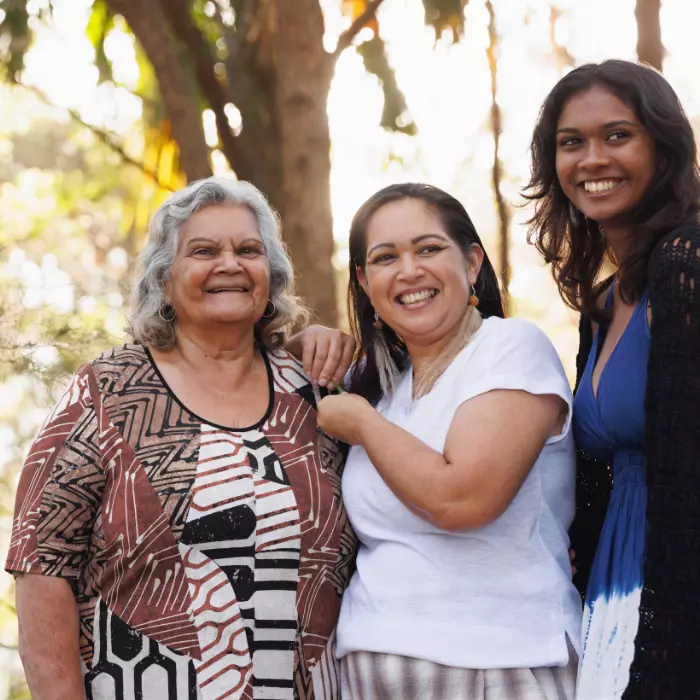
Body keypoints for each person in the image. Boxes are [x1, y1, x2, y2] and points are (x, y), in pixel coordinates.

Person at [6, 176, 356, 700]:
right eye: (203, 250)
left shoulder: (315, 393)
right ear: (164, 280)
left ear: (271, 276)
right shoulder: (108, 392)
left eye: (248, 250)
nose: (230, 264)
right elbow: (42, 561)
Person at [317, 183, 582, 700]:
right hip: (368, 669)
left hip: (500, 666)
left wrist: (364, 426)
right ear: (365, 282)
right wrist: (308, 343)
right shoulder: (379, 388)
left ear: (472, 261)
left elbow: (463, 500)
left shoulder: (510, 349)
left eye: (429, 248)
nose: (409, 270)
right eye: (385, 257)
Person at [525, 59, 700, 699]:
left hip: (676, 600)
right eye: (572, 142)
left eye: (618, 135)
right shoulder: (602, 305)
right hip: (611, 594)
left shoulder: (689, 264)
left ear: (663, 145)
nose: (592, 158)